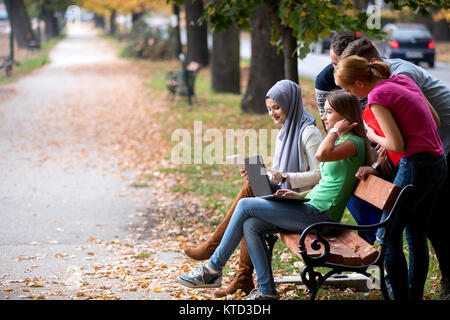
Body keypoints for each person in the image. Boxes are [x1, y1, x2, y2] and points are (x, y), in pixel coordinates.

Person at [178, 91, 371, 300]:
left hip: (321, 216)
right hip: (312, 207)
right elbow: (326, 184)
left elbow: (320, 155)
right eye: (324, 112)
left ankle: (213, 269)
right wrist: (297, 196)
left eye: (330, 112)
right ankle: (267, 290)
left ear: (345, 115)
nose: (324, 117)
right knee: (251, 224)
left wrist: (333, 131)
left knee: (245, 205)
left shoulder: (354, 143)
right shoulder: (342, 142)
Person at [183, 80, 323, 297]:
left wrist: (284, 176)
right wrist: (262, 173)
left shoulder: (309, 133)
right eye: (269, 109)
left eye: (277, 107)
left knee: (247, 205)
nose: (273, 113)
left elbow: (319, 175)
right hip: (285, 197)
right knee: (250, 206)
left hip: (303, 203)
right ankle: (250, 282)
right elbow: (280, 171)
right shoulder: (284, 133)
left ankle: (215, 262)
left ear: (290, 103)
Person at [339, 38, 450, 299]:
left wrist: (371, 134)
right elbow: (434, 120)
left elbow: (395, 143)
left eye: (350, 90)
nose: (354, 97)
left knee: (386, 235)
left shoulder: (376, 96)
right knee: (415, 233)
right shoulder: (403, 81)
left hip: (415, 164)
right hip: (438, 162)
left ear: (359, 83)